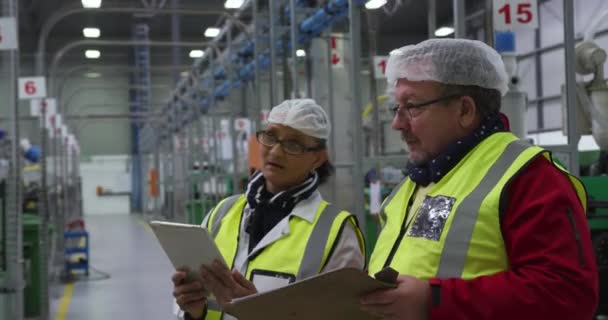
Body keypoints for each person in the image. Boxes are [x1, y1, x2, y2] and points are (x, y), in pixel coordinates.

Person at [360, 38, 598, 320]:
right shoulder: (414, 184)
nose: (398, 123)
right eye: (395, 108)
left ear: (465, 110)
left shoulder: (529, 177)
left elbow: (567, 295)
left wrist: (434, 300)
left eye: (412, 106)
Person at [172, 98, 366, 320]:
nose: (275, 151)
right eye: (271, 137)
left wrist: (261, 314)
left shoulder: (336, 232)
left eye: (293, 145)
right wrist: (194, 310)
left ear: (317, 158)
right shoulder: (222, 213)